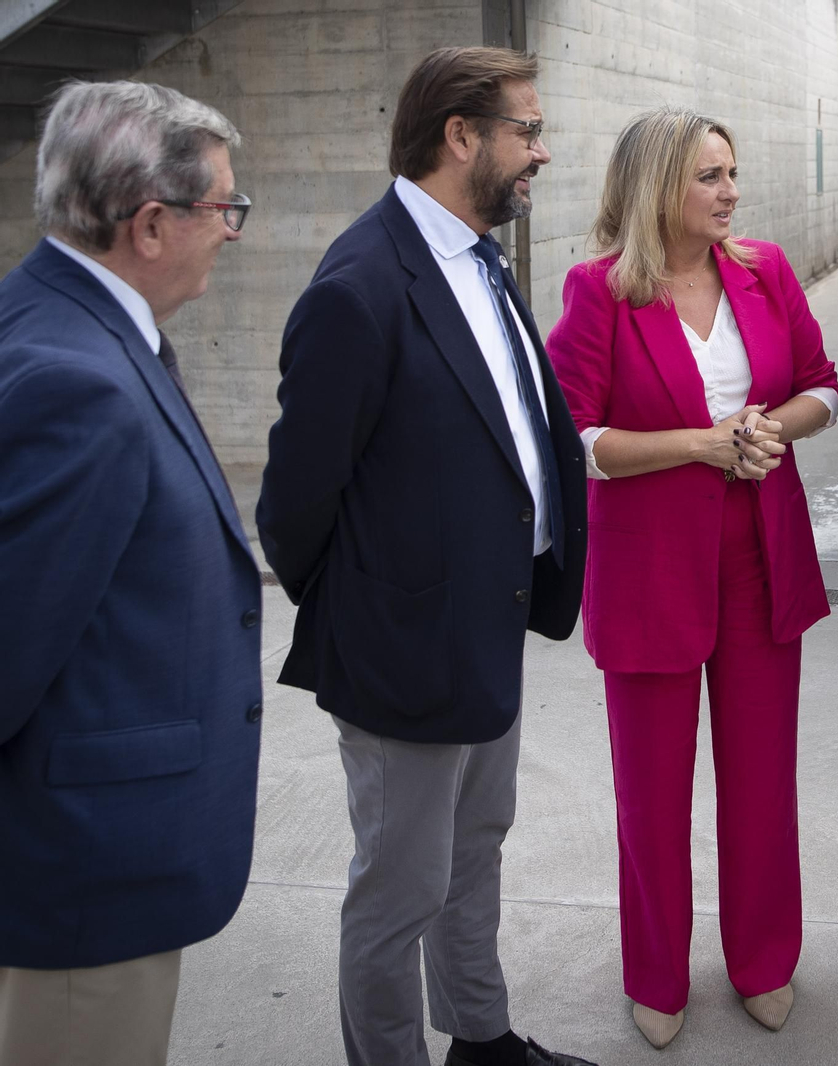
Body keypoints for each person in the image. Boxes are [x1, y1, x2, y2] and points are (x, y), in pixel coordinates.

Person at [256, 47, 593, 1066]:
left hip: (489, 621)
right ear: (460, 137)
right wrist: (380, 612)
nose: (541, 152)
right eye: (528, 131)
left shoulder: (479, 257)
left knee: (475, 852)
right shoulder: (360, 286)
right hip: (404, 652)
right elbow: (294, 506)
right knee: (398, 891)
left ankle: (481, 1042)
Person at [546, 105, 838, 1051]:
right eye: (710, 176)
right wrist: (700, 444)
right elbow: (573, 439)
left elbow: (825, 387)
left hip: (762, 555)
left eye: (731, 172)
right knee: (651, 793)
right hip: (648, 571)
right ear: (657, 186)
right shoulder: (598, 291)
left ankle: (763, 961)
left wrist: (767, 429)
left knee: (762, 780)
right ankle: (657, 976)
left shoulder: (766, 271)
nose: (731, 192)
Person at [0, 81, 260, 1066]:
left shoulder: (62, 321)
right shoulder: (78, 383)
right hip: (85, 883)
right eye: (223, 206)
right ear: (150, 225)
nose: (231, 231)